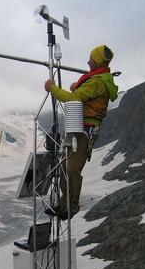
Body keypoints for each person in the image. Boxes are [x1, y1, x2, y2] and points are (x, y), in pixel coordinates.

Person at [44, 45, 118, 219]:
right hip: (78, 127)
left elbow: (74, 99)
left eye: (91, 59)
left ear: (98, 61)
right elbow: (83, 96)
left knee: (72, 168)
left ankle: (72, 206)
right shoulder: (96, 80)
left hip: (85, 131)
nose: (88, 61)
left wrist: (52, 89)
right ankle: (63, 204)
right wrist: (77, 88)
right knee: (63, 167)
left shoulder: (98, 81)